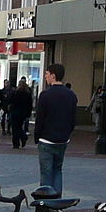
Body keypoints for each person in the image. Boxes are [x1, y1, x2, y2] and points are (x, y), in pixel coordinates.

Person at [33, 63, 77, 193]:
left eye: (47, 74)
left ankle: (46, 202)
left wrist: (37, 136)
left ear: (53, 75)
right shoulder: (71, 95)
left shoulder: (45, 95)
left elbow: (40, 118)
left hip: (46, 139)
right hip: (62, 139)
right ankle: (57, 202)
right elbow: (73, 119)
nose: (45, 77)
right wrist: (67, 134)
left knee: (46, 173)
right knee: (58, 170)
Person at [9, 78, 34, 149]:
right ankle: (22, 137)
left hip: (15, 112)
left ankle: (16, 142)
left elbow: (11, 101)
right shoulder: (27, 93)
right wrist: (28, 114)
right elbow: (30, 105)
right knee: (19, 126)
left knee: (15, 128)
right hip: (23, 113)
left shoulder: (16, 93)